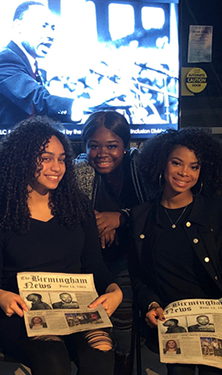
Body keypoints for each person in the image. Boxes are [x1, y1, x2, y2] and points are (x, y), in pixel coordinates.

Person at [0, 116, 123, 375]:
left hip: (76, 309)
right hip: (20, 314)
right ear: (22, 159)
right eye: (45, 158)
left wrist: (114, 290)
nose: (56, 167)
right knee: (52, 355)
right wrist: (0, 296)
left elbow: (94, 267)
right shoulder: (0, 212)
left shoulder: (77, 207)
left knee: (100, 351)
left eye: (62, 158)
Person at [129, 128, 222, 375]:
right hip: (171, 318)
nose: (185, 173)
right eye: (177, 163)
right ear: (161, 164)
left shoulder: (213, 212)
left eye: (194, 166)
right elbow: (138, 275)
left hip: (215, 314)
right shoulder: (140, 216)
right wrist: (151, 303)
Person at [74, 111, 149, 375]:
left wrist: (121, 218)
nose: (102, 153)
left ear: (126, 147)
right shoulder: (78, 170)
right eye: (94, 146)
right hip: (84, 262)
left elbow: (153, 210)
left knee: (123, 311)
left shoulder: (138, 167)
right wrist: (95, 222)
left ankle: (122, 361)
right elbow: (68, 212)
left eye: (112, 146)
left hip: (128, 258)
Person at [0, 2, 112, 130]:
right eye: (43, 26)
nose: (50, 35)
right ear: (18, 27)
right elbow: (38, 101)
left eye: (53, 28)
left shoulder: (30, 65)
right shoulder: (5, 60)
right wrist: (87, 105)